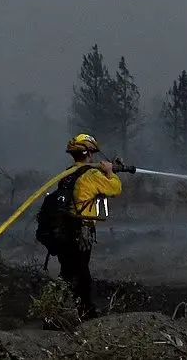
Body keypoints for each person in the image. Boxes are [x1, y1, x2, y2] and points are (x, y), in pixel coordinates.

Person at [58, 133, 122, 319]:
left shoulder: (69, 173)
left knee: (67, 271)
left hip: (64, 229)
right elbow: (114, 189)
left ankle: (53, 310)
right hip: (81, 230)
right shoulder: (91, 174)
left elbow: (89, 186)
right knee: (81, 273)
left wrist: (109, 170)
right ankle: (86, 312)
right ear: (89, 154)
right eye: (92, 153)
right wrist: (110, 173)